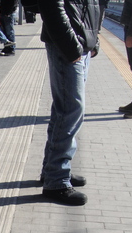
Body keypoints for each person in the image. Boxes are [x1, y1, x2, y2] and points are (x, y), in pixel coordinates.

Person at [38, 0, 100, 206]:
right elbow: (52, 6)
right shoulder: (69, 45)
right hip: (69, 43)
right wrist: (71, 46)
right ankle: (56, 180)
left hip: (81, 41)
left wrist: (93, 39)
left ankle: (53, 170)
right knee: (70, 110)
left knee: (63, 110)